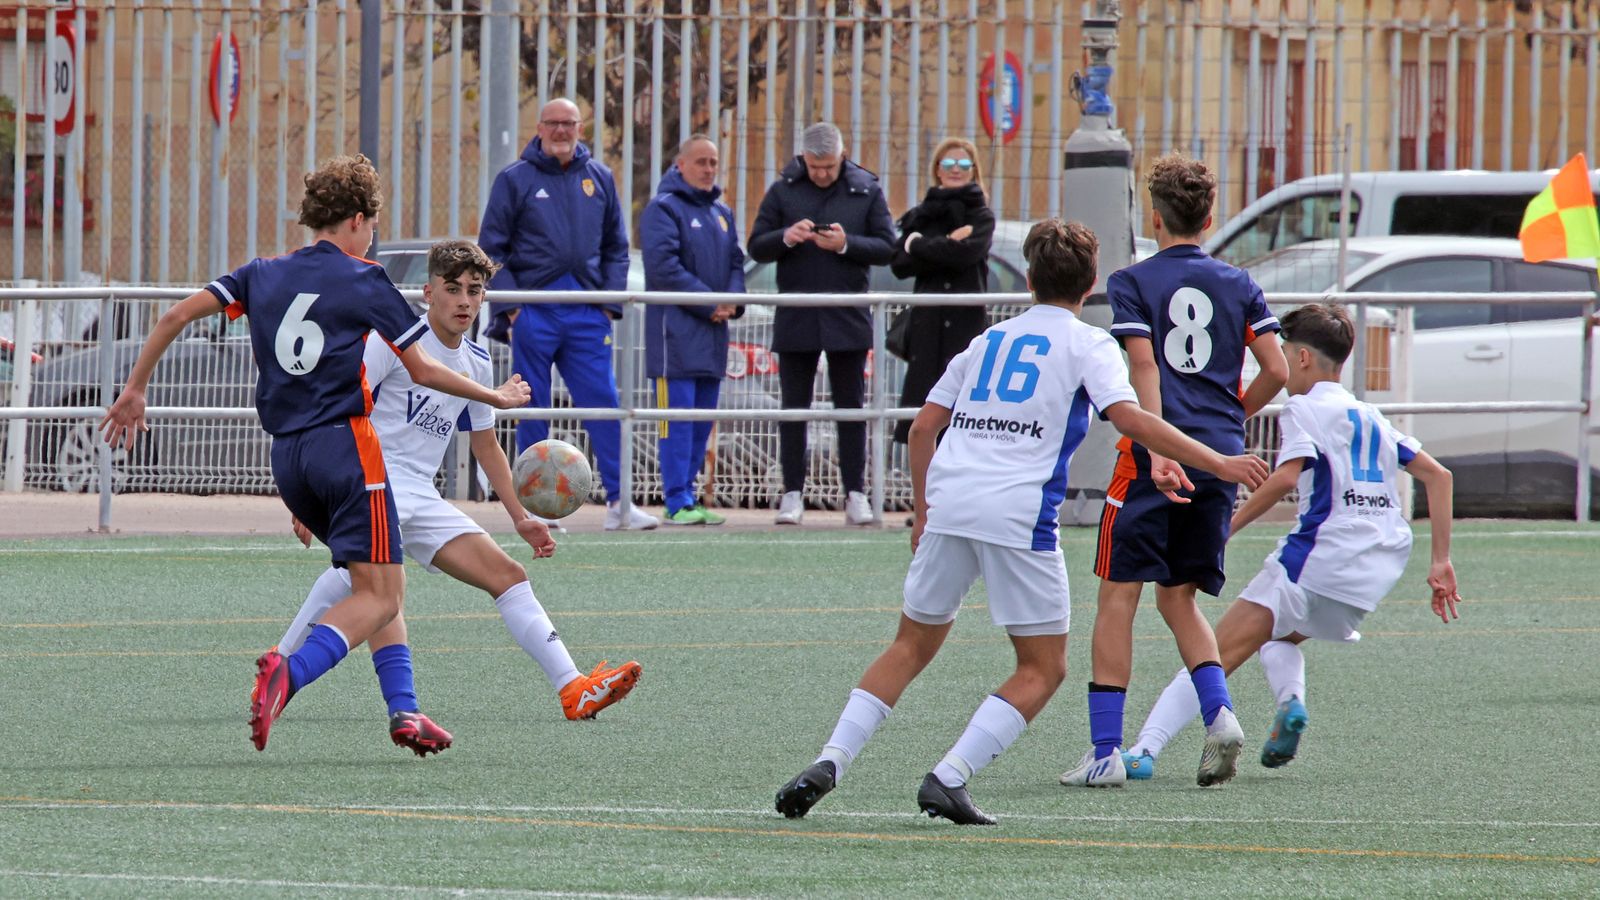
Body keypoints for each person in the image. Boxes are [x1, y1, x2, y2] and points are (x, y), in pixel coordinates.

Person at [773, 220, 1268, 825]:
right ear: (1090, 287)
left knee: (910, 645)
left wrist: (925, 512)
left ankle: (830, 760)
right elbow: (1132, 420)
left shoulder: (986, 341)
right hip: (1017, 514)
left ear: (1028, 280)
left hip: (952, 502)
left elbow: (924, 429)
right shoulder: (1089, 345)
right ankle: (948, 777)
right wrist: (1217, 459)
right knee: (1043, 666)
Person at [99, 155, 532, 751]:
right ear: (358, 219)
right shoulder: (364, 278)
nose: (373, 234)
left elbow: (174, 314)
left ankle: (406, 712)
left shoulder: (261, 272)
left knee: (374, 582)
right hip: (347, 449)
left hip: (288, 461)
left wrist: (134, 389)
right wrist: (495, 396)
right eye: (373, 222)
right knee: (383, 594)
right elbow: (424, 367)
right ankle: (289, 671)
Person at [275, 241, 642, 756]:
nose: (464, 301)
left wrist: (520, 517)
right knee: (364, 585)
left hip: (418, 494)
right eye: (452, 289)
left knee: (505, 577)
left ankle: (573, 688)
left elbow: (485, 443)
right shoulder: (394, 340)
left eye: (475, 290)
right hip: (369, 478)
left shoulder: (476, 358)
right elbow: (332, 405)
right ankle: (281, 667)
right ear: (428, 293)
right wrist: (309, 491)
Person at [1120, 303, 1461, 779]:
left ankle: (1144, 750)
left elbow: (1284, 480)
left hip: (1319, 555)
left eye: (1282, 353)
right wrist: (1440, 560)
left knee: (1213, 652)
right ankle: (1291, 704)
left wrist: (1225, 530)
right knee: (1280, 638)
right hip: (1375, 568)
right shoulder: (1372, 416)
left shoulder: (1303, 408)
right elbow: (1438, 476)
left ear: (1301, 359)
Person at [1060, 154, 1288, 790]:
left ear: (1152, 217)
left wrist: (1163, 448)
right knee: (1180, 598)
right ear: (1210, 217)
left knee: (1118, 595)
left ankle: (1106, 751)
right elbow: (1277, 370)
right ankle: (1220, 716)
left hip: (1153, 455)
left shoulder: (1133, 281)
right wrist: (1223, 421)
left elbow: (1146, 369)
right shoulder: (1240, 283)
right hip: (1220, 455)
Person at [478, 97, 659, 531]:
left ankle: (620, 503)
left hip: (586, 311)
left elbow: (617, 247)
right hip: (535, 309)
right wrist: (515, 308)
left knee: (605, 404)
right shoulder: (514, 179)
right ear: (539, 127)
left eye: (570, 124)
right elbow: (492, 249)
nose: (562, 131)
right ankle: (538, 509)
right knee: (533, 408)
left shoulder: (600, 177)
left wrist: (606, 302)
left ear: (581, 128)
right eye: (554, 123)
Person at [747, 122, 897, 526]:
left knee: (851, 408)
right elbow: (756, 246)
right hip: (797, 313)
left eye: (829, 166)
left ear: (842, 156)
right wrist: (787, 237)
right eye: (815, 166)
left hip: (847, 314)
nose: (822, 174)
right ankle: (792, 493)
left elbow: (887, 247)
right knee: (793, 409)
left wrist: (846, 245)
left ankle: (856, 494)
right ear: (804, 159)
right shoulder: (783, 190)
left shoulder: (866, 189)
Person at [639, 134, 746, 526]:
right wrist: (709, 302)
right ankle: (675, 499)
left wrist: (732, 299)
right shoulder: (663, 209)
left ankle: (690, 493)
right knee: (677, 421)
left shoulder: (722, 211)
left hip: (713, 337)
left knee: (702, 422)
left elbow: (737, 261)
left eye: (713, 162)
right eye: (700, 161)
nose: (708, 169)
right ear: (680, 165)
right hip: (675, 339)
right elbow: (664, 269)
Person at [888, 137, 993, 445]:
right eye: (948, 164)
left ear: (974, 170)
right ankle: (922, 489)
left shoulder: (981, 215)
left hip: (965, 325)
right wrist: (948, 242)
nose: (955, 170)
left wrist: (919, 245)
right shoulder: (920, 214)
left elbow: (967, 255)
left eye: (963, 164)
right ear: (937, 169)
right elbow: (900, 263)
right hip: (927, 326)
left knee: (964, 412)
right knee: (924, 412)